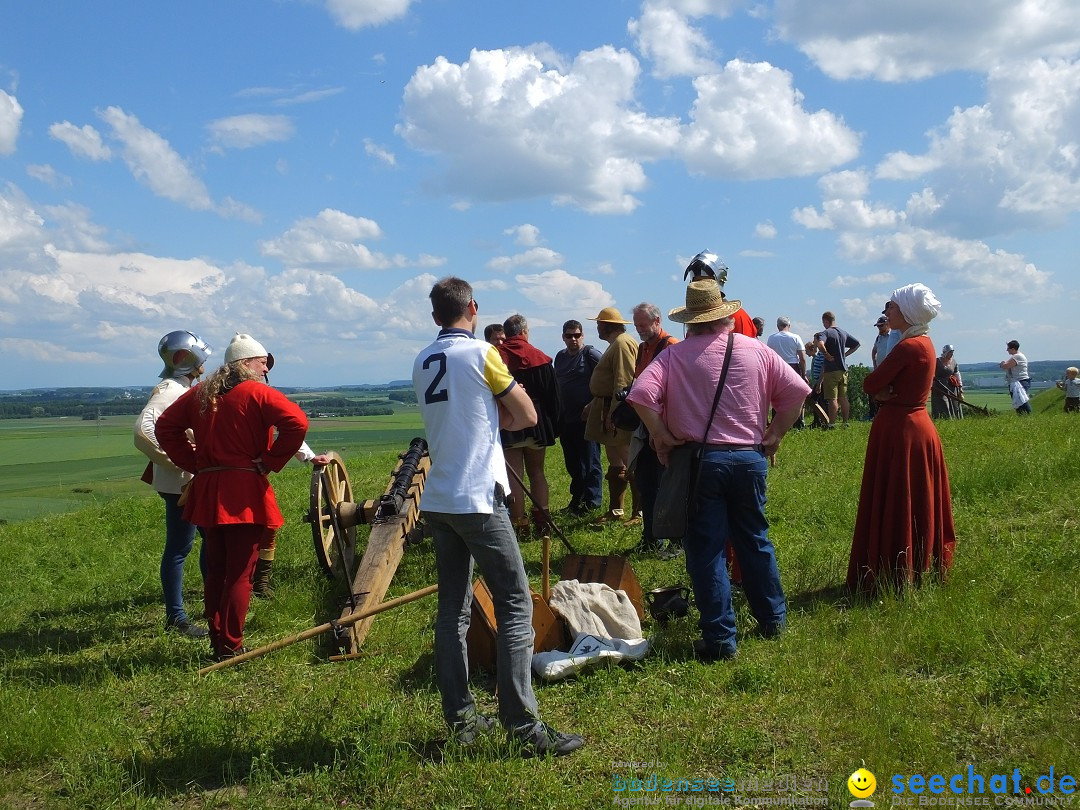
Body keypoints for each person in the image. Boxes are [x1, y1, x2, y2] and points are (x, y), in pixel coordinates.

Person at [412, 276, 583, 756]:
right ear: (473, 307)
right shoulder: (482, 354)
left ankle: (462, 719)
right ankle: (523, 727)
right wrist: (499, 417)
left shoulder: (422, 360)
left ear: (434, 316)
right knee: (514, 604)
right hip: (479, 499)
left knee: (452, 611)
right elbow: (526, 413)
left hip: (440, 497)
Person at [627, 280, 809, 661]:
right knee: (755, 540)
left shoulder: (674, 357)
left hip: (700, 462)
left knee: (706, 549)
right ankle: (773, 621)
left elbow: (640, 395)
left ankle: (721, 639)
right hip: (749, 458)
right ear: (725, 316)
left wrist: (660, 435)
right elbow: (797, 393)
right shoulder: (756, 350)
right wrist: (774, 434)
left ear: (690, 321)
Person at [155, 333, 310, 661]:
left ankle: (218, 641)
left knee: (217, 570)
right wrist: (269, 461)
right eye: (262, 363)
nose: (266, 370)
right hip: (242, 492)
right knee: (240, 573)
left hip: (209, 490)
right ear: (248, 364)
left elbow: (166, 427)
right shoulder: (257, 391)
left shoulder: (202, 392)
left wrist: (195, 464)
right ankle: (231, 646)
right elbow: (296, 422)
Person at [847, 284, 956, 594]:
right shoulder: (925, 342)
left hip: (901, 430)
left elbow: (871, 382)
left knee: (898, 497)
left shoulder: (908, 347)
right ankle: (918, 565)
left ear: (907, 312)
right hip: (918, 426)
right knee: (916, 498)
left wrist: (880, 391)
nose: (887, 312)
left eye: (892, 307)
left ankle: (894, 570)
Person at [134, 330, 213, 640]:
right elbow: (143, 430)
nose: (204, 362)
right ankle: (176, 617)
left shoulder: (179, 388)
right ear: (186, 359)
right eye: (199, 357)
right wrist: (179, 460)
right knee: (180, 549)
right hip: (181, 483)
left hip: (187, 480)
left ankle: (211, 603)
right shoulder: (169, 391)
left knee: (209, 538)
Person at [497, 314, 562, 538]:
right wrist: (554, 425)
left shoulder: (496, 357)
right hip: (537, 422)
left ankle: (519, 524)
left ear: (506, 333)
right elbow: (552, 396)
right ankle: (543, 523)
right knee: (537, 472)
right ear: (525, 332)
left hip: (508, 423)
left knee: (514, 477)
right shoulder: (540, 358)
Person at [628, 302, 678, 554]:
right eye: (637, 326)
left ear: (657, 321)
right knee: (646, 484)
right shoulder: (642, 348)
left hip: (667, 425)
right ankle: (650, 539)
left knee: (668, 485)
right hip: (648, 424)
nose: (639, 330)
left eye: (643, 325)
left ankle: (676, 541)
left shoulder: (672, 347)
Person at [584, 306, 638, 523]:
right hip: (606, 406)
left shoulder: (623, 344)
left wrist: (615, 414)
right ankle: (617, 510)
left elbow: (623, 381)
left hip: (616, 410)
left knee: (629, 460)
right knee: (616, 461)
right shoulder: (617, 344)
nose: (597, 327)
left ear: (606, 326)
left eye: (599, 323)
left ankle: (639, 512)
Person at [552, 320, 603, 514]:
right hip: (566, 418)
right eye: (569, 335)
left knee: (590, 461)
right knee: (573, 463)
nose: (573, 339)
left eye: (577, 335)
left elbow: (607, 378)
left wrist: (594, 404)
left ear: (583, 335)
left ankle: (592, 501)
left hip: (586, 417)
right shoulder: (560, 357)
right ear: (563, 337)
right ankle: (577, 499)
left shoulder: (591, 354)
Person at [683, 250, 758, 338]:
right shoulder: (693, 318)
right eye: (697, 282)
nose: (702, 285)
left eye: (707, 281)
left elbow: (748, 349)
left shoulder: (737, 317)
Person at [815, 311, 861, 426]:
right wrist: (845, 354)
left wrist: (826, 354)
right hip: (843, 370)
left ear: (826, 321)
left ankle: (832, 423)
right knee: (843, 397)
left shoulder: (826, 333)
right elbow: (856, 344)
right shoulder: (842, 332)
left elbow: (820, 344)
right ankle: (845, 422)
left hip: (831, 369)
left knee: (832, 399)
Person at [766, 316, 806, 428]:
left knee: (777, 396)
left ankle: (776, 422)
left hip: (778, 367)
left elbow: (769, 356)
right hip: (793, 367)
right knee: (795, 396)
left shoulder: (772, 338)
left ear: (778, 326)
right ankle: (797, 422)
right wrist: (803, 374)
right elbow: (802, 357)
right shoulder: (796, 337)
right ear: (789, 325)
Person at [868, 315, 892, 419]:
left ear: (887, 325)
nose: (879, 328)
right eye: (878, 326)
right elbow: (874, 350)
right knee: (874, 390)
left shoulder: (893, 336)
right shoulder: (878, 337)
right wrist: (874, 363)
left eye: (881, 326)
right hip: (879, 368)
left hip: (890, 369)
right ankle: (874, 414)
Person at [1000, 340, 1032, 415]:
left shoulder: (1017, 356)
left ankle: (1027, 414)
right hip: (1019, 381)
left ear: (1013, 349)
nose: (1007, 350)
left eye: (1008, 348)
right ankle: (1022, 416)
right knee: (1018, 400)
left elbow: (1006, 365)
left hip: (1019, 381)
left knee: (1021, 400)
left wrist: (1002, 364)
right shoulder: (1018, 356)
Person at [931, 344, 962, 420]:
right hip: (939, 386)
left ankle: (955, 420)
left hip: (951, 386)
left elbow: (957, 374)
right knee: (943, 403)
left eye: (952, 352)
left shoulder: (954, 362)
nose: (951, 354)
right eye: (950, 352)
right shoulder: (937, 361)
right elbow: (930, 372)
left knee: (954, 403)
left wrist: (960, 387)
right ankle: (945, 419)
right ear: (945, 352)